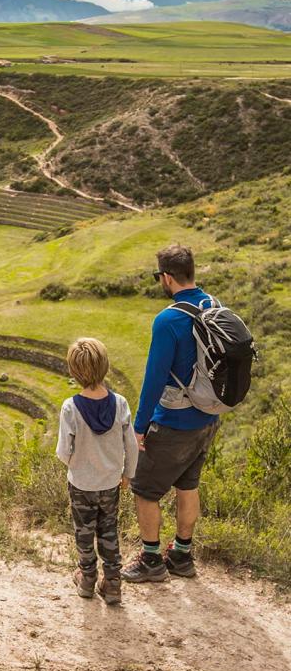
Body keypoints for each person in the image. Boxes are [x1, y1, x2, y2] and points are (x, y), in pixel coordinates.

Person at [122, 244, 219, 584]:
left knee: (145, 490)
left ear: (166, 277)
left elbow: (155, 376)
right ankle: (181, 554)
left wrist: (139, 426)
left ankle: (151, 560)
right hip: (208, 418)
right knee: (187, 485)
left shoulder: (169, 319)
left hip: (175, 421)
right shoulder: (215, 306)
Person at [56, 337, 138, 605]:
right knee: (109, 529)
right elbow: (131, 445)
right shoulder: (120, 404)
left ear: (74, 371)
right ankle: (112, 583)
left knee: (84, 531)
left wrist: (77, 465)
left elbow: (62, 451)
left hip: (81, 484)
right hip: (110, 483)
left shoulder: (71, 407)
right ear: (105, 366)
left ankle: (87, 578)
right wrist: (127, 474)